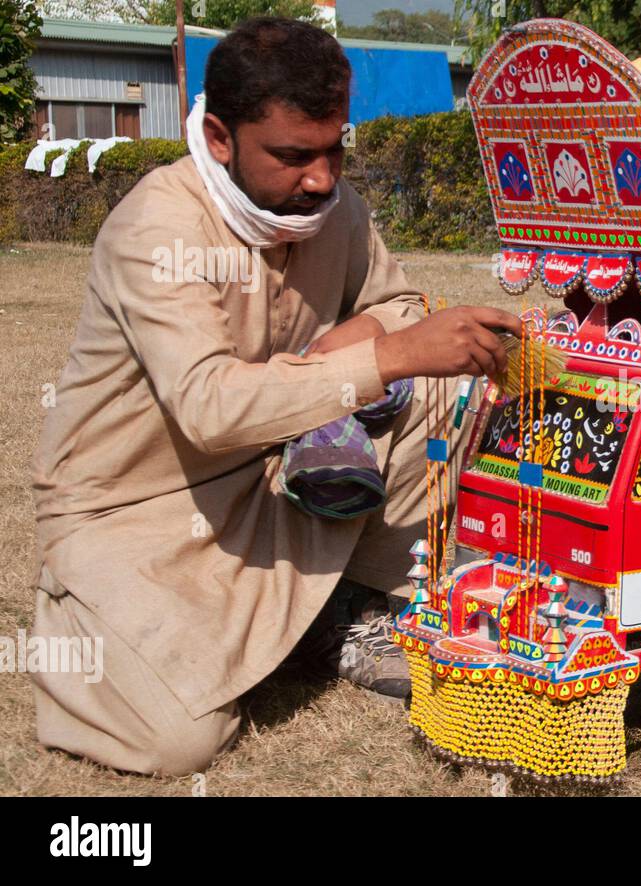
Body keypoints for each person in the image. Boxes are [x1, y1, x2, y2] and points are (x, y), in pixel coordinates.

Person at [28, 17, 521, 776]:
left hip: (277, 467)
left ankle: (348, 609)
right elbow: (208, 407)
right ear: (221, 138)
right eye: (294, 156)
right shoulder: (157, 227)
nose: (322, 178)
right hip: (139, 511)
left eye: (335, 150)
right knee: (176, 742)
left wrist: (360, 338)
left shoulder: (335, 209)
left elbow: (398, 305)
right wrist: (381, 355)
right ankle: (78, 626)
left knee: (436, 383)